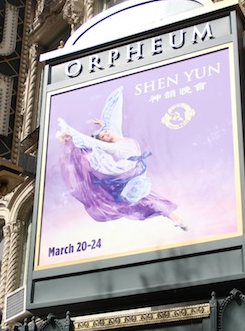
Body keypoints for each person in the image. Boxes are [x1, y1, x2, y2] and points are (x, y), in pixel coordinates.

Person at [55, 86, 187, 230]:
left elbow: (113, 121)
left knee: (148, 198)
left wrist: (103, 123)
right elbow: (92, 142)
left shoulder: (119, 135)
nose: (106, 135)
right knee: (144, 199)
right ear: (103, 142)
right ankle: (175, 218)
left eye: (105, 132)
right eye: (103, 137)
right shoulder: (112, 147)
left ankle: (176, 219)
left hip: (134, 172)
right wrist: (72, 133)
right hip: (125, 170)